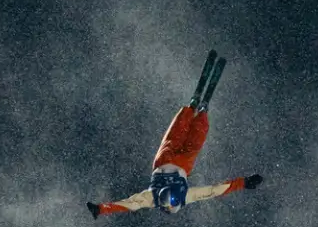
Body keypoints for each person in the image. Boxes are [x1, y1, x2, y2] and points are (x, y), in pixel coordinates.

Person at [88, 50, 261, 217]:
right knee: (197, 137)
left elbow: (127, 205)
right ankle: (202, 111)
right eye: (173, 197)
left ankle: (192, 106)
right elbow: (213, 191)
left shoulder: (151, 199)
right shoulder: (185, 196)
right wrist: (244, 182)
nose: (171, 195)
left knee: (177, 131)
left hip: (164, 160)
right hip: (183, 164)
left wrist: (101, 209)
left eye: (168, 197)